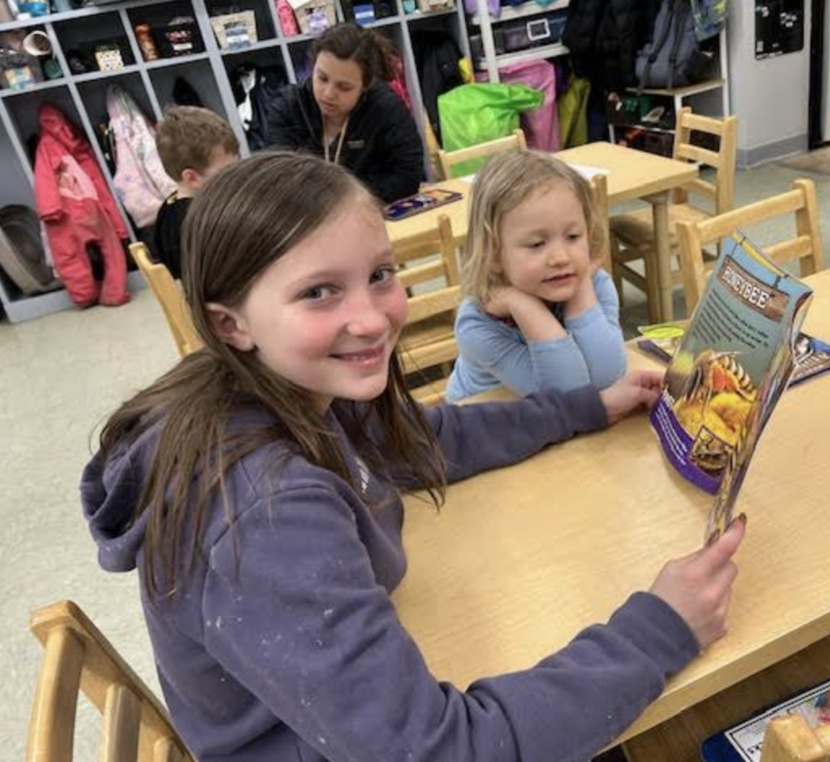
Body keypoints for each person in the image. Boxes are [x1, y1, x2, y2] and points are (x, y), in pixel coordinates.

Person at [81, 152, 746, 762]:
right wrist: (661, 629)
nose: (371, 319)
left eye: (379, 275)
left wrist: (587, 408)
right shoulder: (265, 517)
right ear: (232, 323)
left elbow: (422, 441)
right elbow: (439, 752)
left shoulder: (293, 384)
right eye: (319, 292)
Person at [446, 150, 627, 402]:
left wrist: (581, 287)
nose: (561, 258)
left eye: (573, 236)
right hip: (485, 427)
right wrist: (523, 305)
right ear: (495, 255)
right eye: (536, 244)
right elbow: (567, 395)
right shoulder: (476, 323)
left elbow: (608, 376)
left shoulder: (596, 285)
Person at [265, 23, 422, 203]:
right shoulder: (287, 108)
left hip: (371, 214)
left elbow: (408, 176)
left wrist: (345, 200)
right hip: (309, 219)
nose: (328, 93)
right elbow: (278, 182)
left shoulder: (385, 107)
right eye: (322, 78)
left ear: (365, 85)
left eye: (344, 87)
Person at [154, 106, 240, 280]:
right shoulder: (200, 220)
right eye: (228, 172)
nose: (237, 177)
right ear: (192, 178)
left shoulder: (167, 209)